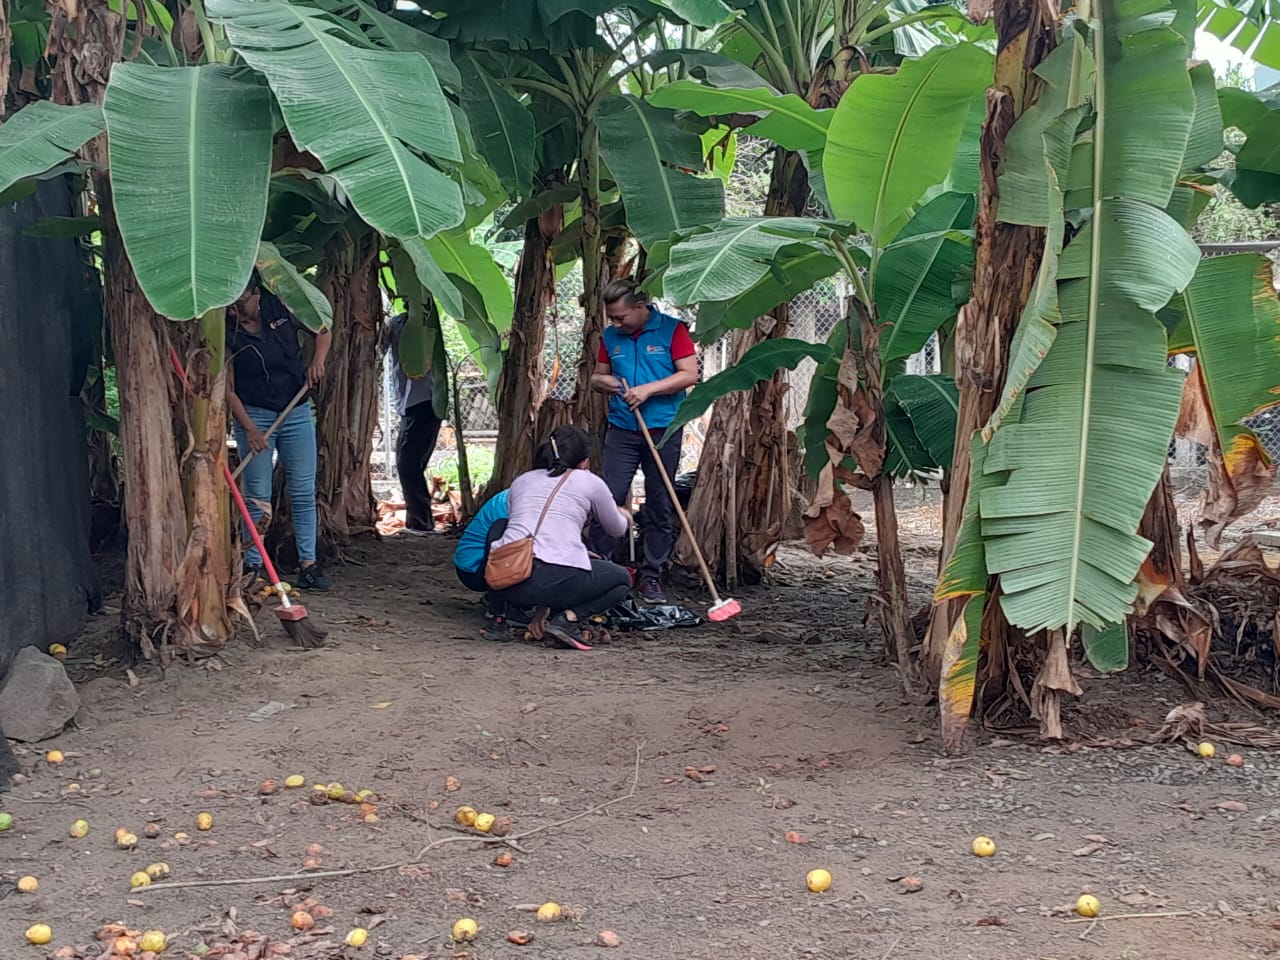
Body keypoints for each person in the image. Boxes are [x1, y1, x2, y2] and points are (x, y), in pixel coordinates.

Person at [590, 279, 698, 604]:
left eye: (621, 317)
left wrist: (648, 390)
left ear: (640, 307)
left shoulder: (672, 330)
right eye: (611, 317)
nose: (615, 323)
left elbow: (689, 374)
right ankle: (601, 570)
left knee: (659, 501)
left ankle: (652, 575)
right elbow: (597, 375)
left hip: (663, 429)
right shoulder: (611, 336)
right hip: (622, 428)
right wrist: (606, 382)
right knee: (608, 496)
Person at [226, 274, 332, 591]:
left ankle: (309, 565)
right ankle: (253, 565)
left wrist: (318, 361)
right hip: (254, 413)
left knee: (302, 491)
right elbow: (226, 388)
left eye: (242, 302)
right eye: (232, 305)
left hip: (295, 409)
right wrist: (249, 429)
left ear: (257, 295)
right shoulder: (226, 328)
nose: (236, 310)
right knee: (257, 494)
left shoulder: (281, 306)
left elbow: (322, 328)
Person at [490, 425, 633, 650]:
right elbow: (616, 529)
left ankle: (499, 614)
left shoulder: (522, 481)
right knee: (621, 579)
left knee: (500, 527)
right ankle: (568, 620)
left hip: (508, 578)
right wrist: (625, 516)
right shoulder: (589, 481)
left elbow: (526, 532)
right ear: (584, 462)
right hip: (556, 579)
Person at [387, 312, 443, 533]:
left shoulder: (424, 322)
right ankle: (420, 522)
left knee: (408, 464)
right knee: (409, 463)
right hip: (410, 404)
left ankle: (421, 523)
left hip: (424, 401)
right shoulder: (398, 322)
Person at [453, 489, 510, 627]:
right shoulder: (525, 499)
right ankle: (502, 606)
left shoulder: (518, 491)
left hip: (470, 562)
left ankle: (499, 600)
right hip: (476, 566)